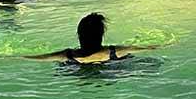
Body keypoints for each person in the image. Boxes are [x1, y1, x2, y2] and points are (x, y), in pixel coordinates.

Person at [25, 13, 158, 64]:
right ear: (101, 35)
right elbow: (147, 48)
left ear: (79, 35)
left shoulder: (68, 55)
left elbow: (39, 57)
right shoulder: (114, 51)